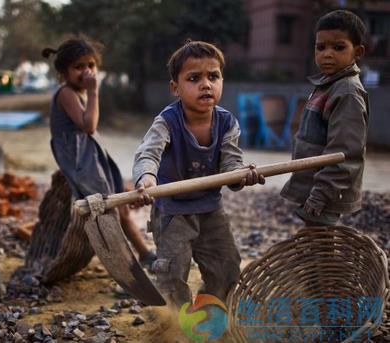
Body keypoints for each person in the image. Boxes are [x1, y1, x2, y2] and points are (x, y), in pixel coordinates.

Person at [132, 40, 265, 308]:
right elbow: (148, 152)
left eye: (213, 76)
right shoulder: (167, 121)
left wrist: (241, 175)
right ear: (175, 88)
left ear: (222, 80)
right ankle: (174, 321)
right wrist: (147, 177)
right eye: (194, 78)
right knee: (172, 270)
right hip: (173, 211)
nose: (206, 84)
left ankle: (212, 308)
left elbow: (231, 163)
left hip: (210, 210)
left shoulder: (227, 122)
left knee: (226, 264)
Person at [42, 36, 156, 268]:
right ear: (64, 72)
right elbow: (88, 125)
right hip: (80, 161)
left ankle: (144, 252)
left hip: (91, 157)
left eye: (90, 65)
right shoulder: (67, 94)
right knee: (106, 211)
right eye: (78, 67)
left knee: (119, 206)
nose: (86, 71)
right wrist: (94, 92)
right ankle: (125, 263)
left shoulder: (80, 92)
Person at [281, 10, 369, 226]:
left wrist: (321, 194)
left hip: (327, 193)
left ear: (357, 51)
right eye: (321, 47)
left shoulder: (346, 92)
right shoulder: (327, 85)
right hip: (314, 187)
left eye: (338, 47)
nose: (327, 54)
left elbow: (344, 153)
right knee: (314, 246)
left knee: (322, 248)